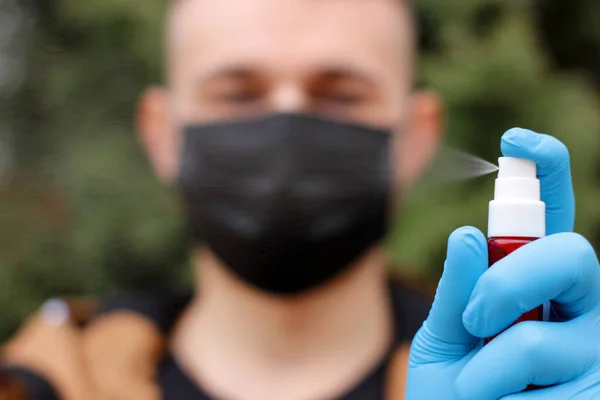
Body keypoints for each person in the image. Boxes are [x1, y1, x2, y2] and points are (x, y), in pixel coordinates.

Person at [3, 0, 600, 399]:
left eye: (340, 95)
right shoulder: (35, 384)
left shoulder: (500, 376)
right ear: (162, 134)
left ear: (417, 137)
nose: (286, 121)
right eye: (237, 93)